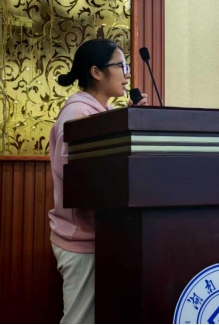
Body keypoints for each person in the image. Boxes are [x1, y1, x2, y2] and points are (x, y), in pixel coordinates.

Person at [48, 39, 147, 323]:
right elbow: (82, 182)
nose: (127, 74)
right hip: (80, 238)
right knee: (80, 319)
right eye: (121, 65)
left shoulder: (97, 114)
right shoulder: (78, 114)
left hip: (99, 235)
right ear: (96, 72)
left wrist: (134, 120)